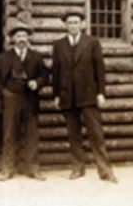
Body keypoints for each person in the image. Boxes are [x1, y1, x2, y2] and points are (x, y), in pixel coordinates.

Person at [51, 10, 118, 183]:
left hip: (89, 96)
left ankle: (105, 171)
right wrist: (56, 94)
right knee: (73, 135)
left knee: (96, 134)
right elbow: (56, 72)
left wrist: (101, 93)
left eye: (76, 22)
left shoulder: (92, 42)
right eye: (70, 22)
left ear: (82, 24)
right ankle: (77, 168)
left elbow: (100, 69)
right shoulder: (58, 45)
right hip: (68, 96)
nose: (73, 25)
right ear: (65, 25)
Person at [0, 18, 48, 181]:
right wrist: (3, 93)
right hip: (11, 101)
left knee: (31, 135)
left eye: (24, 36)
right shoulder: (4, 57)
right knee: (9, 135)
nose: (21, 39)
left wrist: (37, 82)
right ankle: (8, 169)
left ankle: (33, 169)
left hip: (30, 100)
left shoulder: (36, 57)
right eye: (18, 36)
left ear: (28, 38)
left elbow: (45, 75)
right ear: (13, 39)